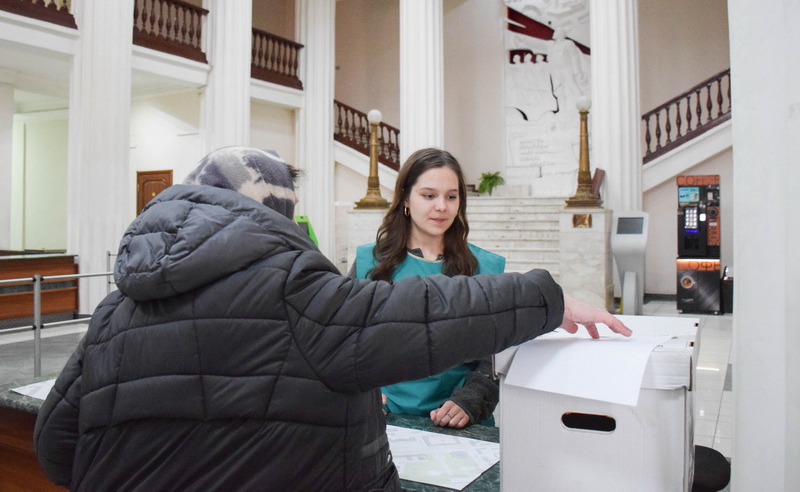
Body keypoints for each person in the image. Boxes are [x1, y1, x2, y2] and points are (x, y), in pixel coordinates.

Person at [34, 146, 631, 492]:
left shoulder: (116, 308)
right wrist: (545, 299)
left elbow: (57, 448)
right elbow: (419, 319)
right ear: (276, 216)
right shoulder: (296, 288)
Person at [350, 148, 503, 429]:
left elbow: (495, 359)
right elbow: (346, 341)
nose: (442, 206)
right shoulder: (369, 263)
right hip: (383, 417)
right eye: (429, 195)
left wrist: (471, 399)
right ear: (406, 199)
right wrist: (363, 392)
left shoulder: (486, 268)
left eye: (451, 196)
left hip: (462, 420)